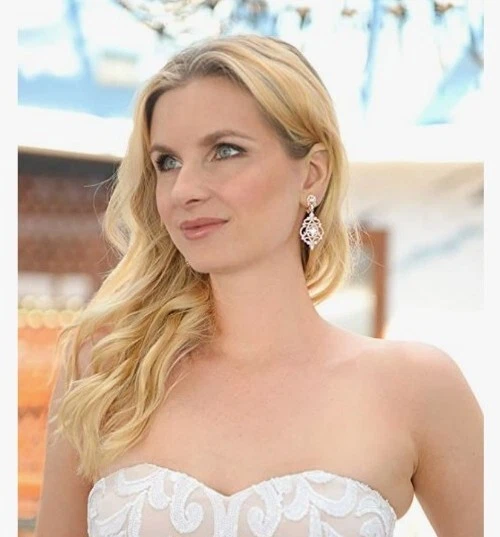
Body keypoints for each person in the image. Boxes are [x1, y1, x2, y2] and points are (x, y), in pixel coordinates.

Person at [34, 34, 483, 537]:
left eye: (225, 151)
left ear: (312, 175)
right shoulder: (107, 371)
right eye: (167, 162)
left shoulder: (417, 388)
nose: (184, 190)